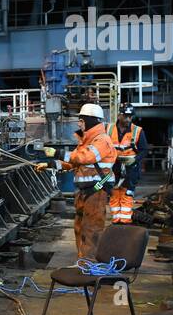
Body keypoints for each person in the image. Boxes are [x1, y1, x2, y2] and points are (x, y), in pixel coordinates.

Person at [37, 102, 117, 259]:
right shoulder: (86, 141)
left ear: (90, 120)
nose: (79, 123)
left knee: (92, 228)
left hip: (96, 189)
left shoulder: (102, 140)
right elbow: (73, 162)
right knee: (80, 227)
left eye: (81, 120)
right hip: (84, 191)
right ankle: (82, 260)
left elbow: (86, 158)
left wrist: (57, 153)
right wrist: (50, 164)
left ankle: (88, 264)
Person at [108, 105, 146, 224]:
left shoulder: (137, 131)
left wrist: (135, 159)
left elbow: (144, 150)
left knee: (127, 193)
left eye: (130, 117)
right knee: (114, 192)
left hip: (130, 168)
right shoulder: (108, 129)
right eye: (125, 116)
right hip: (113, 167)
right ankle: (116, 219)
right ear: (119, 115)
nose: (128, 119)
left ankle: (125, 220)